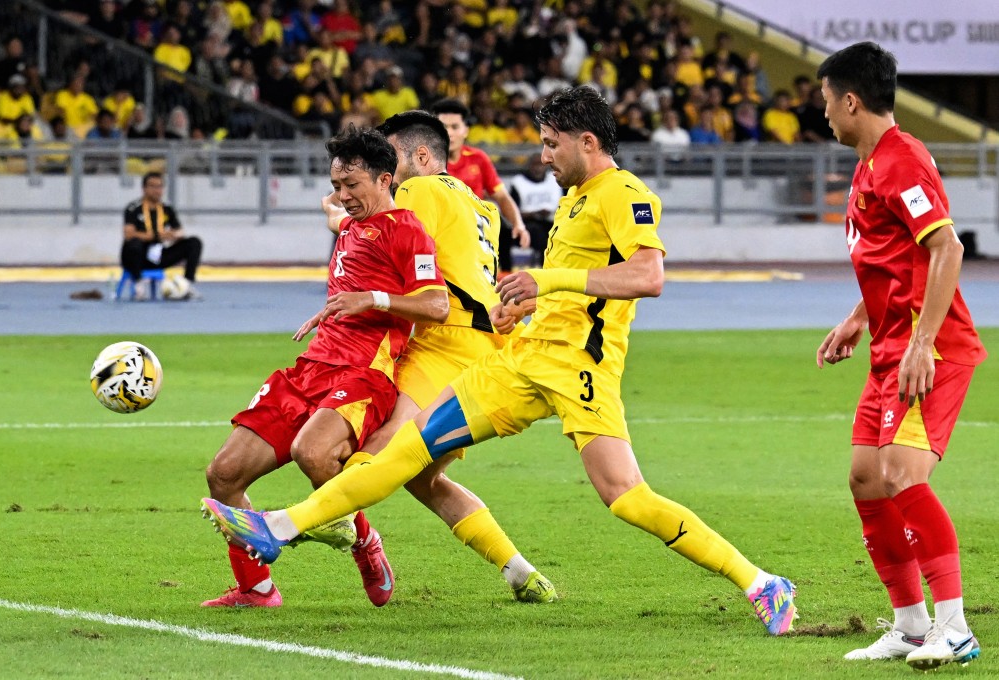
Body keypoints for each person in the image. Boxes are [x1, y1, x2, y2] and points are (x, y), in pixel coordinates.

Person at [201, 86, 799, 636]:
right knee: (410, 449)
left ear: (586, 141)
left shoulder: (625, 193)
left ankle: (761, 583)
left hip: (579, 373)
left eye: (550, 144)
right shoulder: (572, 201)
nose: (543, 158)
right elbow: (564, 293)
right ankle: (280, 527)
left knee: (626, 496)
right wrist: (521, 310)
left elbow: (649, 276)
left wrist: (543, 279)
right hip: (518, 363)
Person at [305, 111, 556, 602]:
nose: (386, 174)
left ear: (421, 157)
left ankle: (289, 526)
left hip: (447, 341)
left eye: (391, 160)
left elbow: (380, 224)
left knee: (379, 453)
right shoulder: (480, 205)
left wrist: (336, 215)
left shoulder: (422, 191)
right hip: (486, 347)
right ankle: (521, 573)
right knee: (423, 476)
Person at [200, 126, 450, 609]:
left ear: (384, 178)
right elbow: (345, 228)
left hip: (364, 374)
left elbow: (437, 305)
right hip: (311, 367)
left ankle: (365, 545)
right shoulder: (354, 225)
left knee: (312, 453)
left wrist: (370, 300)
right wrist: (336, 302)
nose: (343, 195)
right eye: (337, 185)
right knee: (224, 474)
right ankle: (257, 590)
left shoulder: (409, 231)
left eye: (352, 185)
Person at [815, 42, 986, 669]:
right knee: (867, 477)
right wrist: (859, 318)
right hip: (891, 347)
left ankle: (956, 628)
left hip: (929, 350)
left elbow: (947, 250)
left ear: (851, 100)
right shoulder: (870, 164)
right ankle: (912, 626)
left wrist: (919, 344)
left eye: (827, 100)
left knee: (901, 475)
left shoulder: (902, 160)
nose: (825, 112)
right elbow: (897, 258)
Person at [429, 99, 530, 274]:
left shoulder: (478, 158)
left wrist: (518, 224)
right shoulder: (426, 161)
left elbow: (502, 196)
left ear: (465, 130)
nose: (449, 133)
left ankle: (502, 281)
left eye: (455, 127)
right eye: (443, 127)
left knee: (504, 228)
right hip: (440, 230)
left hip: (476, 229)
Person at [121, 172, 203, 301]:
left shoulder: (167, 208)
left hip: (158, 254)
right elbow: (129, 234)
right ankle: (138, 284)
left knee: (194, 242)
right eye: (153, 186)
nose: (157, 190)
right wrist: (156, 235)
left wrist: (171, 235)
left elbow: (180, 232)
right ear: (144, 188)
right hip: (137, 256)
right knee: (134, 243)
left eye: (160, 186)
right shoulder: (133, 208)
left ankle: (185, 285)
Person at [509, 153, 563, 267]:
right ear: (529, 166)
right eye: (535, 164)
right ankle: (546, 266)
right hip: (527, 224)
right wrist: (535, 213)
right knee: (539, 233)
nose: (538, 168)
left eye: (541, 165)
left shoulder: (554, 180)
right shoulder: (518, 182)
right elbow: (513, 212)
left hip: (552, 221)